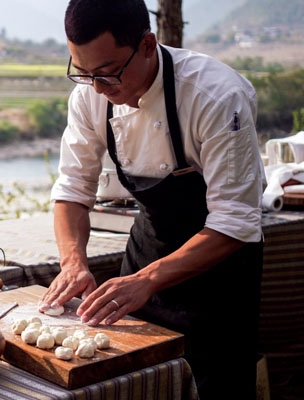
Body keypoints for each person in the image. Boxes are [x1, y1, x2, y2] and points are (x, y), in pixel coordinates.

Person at [39, 0, 265, 398]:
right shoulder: (92, 97)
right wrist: (73, 262)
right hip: (145, 256)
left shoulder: (215, 95)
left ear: (147, 44)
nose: (97, 88)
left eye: (108, 73)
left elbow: (235, 222)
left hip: (219, 280)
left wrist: (145, 281)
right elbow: (73, 190)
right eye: (83, 72)